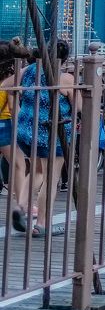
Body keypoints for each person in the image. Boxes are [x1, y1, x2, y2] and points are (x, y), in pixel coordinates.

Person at [14, 40, 78, 237]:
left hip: (26, 130)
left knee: (36, 170)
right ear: (65, 58)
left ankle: (20, 208)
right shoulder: (64, 78)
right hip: (50, 135)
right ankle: (41, 224)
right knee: (52, 179)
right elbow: (81, 108)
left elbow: (9, 86)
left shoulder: (29, 71)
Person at [0, 40, 32, 232]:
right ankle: (21, 205)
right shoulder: (10, 80)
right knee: (18, 165)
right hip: (4, 125)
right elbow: (13, 109)